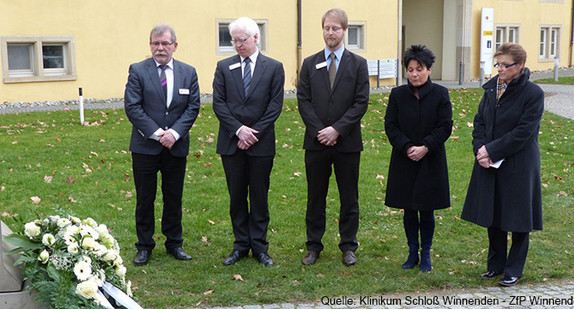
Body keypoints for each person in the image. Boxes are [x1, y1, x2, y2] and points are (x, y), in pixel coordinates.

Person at [462, 42, 544, 286]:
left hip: (519, 164)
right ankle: (495, 266)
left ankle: (514, 268)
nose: (500, 69)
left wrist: (491, 150)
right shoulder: (491, 90)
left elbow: (523, 132)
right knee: (494, 214)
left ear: (520, 66)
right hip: (490, 162)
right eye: (497, 64)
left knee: (518, 219)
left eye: (505, 65)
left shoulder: (533, 94)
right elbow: (479, 122)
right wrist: (480, 149)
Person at [297, 8, 369, 266]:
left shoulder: (358, 64)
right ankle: (313, 245)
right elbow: (303, 101)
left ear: (345, 30)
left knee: (349, 196)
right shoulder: (309, 63)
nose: (330, 32)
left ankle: (348, 246)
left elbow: (361, 103)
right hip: (316, 144)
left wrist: (337, 129)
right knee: (315, 196)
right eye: (327, 28)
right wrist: (320, 131)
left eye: (335, 28)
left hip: (347, 143)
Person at [124, 24, 200, 266]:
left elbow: (193, 107)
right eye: (155, 43)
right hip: (145, 147)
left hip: (175, 147)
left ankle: (174, 243)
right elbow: (133, 106)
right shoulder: (138, 70)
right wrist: (158, 134)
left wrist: (175, 134)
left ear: (175, 46)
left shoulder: (189, 72)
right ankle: (144, 246)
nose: (160, 48)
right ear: (150, 45)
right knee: (145, 198)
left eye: (165, 43)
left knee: (173, 196)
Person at [212, 17, 285, 267]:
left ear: (256, 38)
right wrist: (239, 130)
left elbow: (275, 106)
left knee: (259, 195)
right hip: (232, 143)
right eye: (233, 40)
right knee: (236, 196)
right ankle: (240, 245)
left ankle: (260, 246)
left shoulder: (274, 67)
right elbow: (219, 104)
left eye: (242, 40)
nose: (237, 45)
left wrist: (253, 133)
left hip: (261, 143)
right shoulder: (224, 67)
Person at [384, 45, 453, 272]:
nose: (414, 74)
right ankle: (412, 252)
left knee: (427, 208)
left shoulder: (441, 94)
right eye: (410, 69)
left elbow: (445, 126)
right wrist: (406, 147)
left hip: (430, 160)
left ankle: (426, 254)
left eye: (419, 69)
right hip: (405, 160)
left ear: (429, 69)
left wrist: (425, 147)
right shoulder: (398, 95)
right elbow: (391, 125)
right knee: (409, 207)